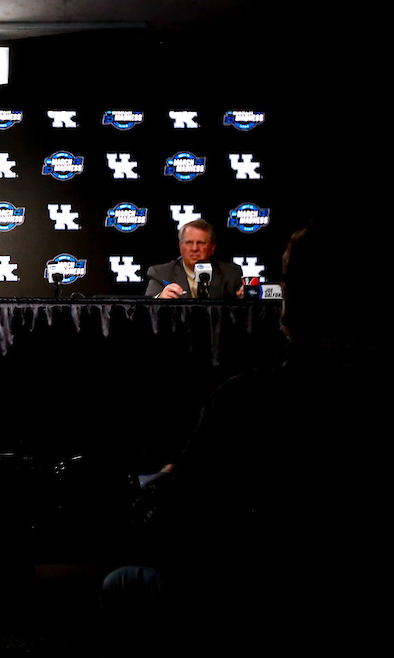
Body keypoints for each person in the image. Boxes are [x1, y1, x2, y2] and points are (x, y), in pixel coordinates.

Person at [103, 220, 383, 653]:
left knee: (122, 582)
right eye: (188, 243)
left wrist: (169, 482)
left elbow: (169, 523)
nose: (195, 250)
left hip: (256, 602)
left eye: (286, 279)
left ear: (295, 293)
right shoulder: (161, 272)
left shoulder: (247, 400)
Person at [144, 218, 243, 299]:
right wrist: (160, 299)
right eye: (189, 243)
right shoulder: (160, 273)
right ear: (180, 247)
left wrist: (244, 298)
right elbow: (147, 308)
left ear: (212, 248)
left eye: (200, 243)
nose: (194, 248)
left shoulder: (231, 273)